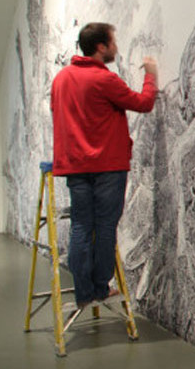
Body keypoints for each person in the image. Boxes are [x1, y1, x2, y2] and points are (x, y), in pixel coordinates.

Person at [51, 22, 158, 308]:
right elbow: (143, 103)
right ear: (101, 47)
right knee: (106, 226)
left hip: (75, 166)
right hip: (107, 165)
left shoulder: (61, 79)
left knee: (81, 227)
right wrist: (151, 75)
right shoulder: (103, 79)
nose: (116, 47)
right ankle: (100, 288)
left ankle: (83, 293)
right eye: (113, 42)